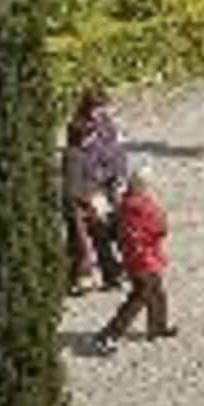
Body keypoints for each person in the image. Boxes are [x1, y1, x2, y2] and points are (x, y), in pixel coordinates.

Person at [61, 91, 133, 291]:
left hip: (103, 188)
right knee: (82, 235)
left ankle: (113, 272)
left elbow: (117, 157)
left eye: (105, 108)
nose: (103, 113)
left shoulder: (108, 129)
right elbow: (73, 185)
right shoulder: (75, 149)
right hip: (84, 194)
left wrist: (117, 182)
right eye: (98, 109)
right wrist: (90, 198)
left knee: (107, 230)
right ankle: (83, 274)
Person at [95, 172, 174, 343]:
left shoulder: (127, 204)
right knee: (139, 296)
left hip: (139, 256)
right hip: (143, 258)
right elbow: (159, 227)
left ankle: (158, 326)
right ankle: (110, 334)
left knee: (157, 292)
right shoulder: (139, 207)